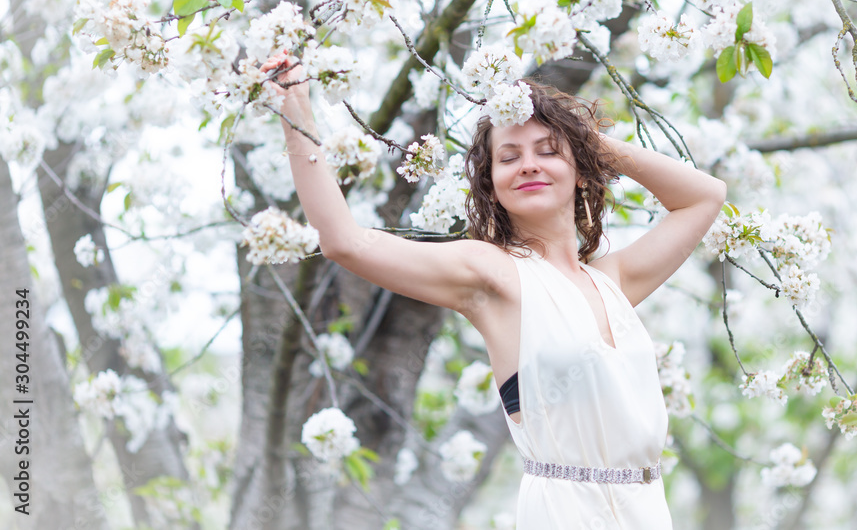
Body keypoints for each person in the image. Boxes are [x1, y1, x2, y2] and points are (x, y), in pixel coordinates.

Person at [265, 50, 727, 529]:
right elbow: (346, 241)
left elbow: (703, 197)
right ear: (492, 183)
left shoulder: (613, 282)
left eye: (547, 151)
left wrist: (583, 139)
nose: (528, 165)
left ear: (581, 170)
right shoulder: (494, 274)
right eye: (509, 157)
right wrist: (295, 109)